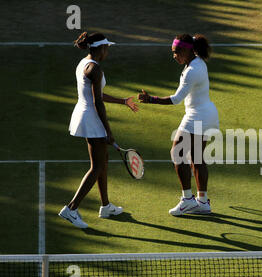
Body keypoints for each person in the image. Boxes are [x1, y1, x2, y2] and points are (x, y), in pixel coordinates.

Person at [58, 32, 139, 228]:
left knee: (103, 162)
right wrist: (108, 131)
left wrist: (122, 101)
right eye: (107, 48)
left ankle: (105, 206)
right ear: (101, 48)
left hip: (85, 115)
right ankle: (71, 208)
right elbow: (98, 102)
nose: (108, 51)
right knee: (96, 166)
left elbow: (96, 94)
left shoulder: (84, 63)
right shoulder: (96, 69)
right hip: (92, 119)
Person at [138, 33, 219, 216]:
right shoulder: (196, 62)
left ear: (186, 50)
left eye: (176, 52)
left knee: (177, 153)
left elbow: (175, 100)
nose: (173, 55)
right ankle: (203, 201)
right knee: (197, 158)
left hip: (197, 116)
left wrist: (151, 99)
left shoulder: (192, 70)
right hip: (205, 114)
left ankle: (188, 199)